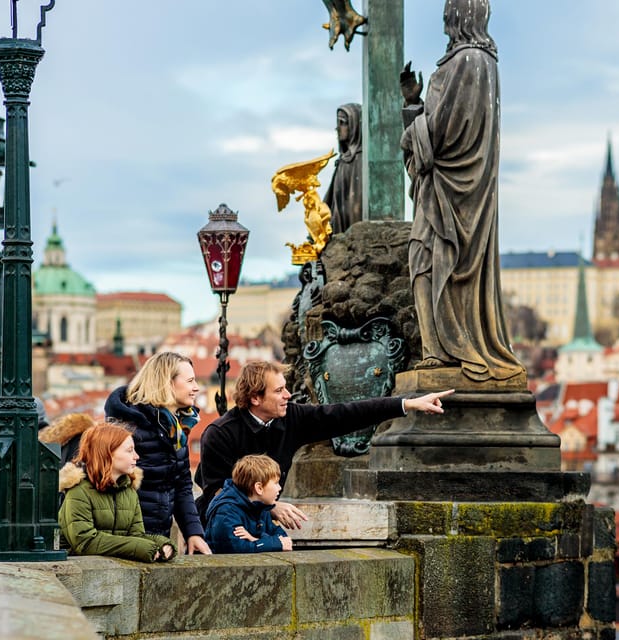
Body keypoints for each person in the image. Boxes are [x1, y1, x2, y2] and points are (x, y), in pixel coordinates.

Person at [399, 0, 524, 384]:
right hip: (456, 189)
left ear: (461, 15)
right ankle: (436, 349)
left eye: (447, 16)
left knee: (425, 260)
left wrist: (410, 130)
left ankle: (440, 350)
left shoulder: (468, 61)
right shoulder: (481, 62)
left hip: (451, 193)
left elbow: (442, 131)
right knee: (426, 261)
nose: (443, 25)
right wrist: (414, 104)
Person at [195, 360, 452, 528]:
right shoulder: (219, 434)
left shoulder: (291, 418)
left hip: (259, 525)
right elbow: (218, 495)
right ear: (254, 398)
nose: (287, 395)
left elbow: (346, 413)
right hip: (219, 529)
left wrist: (406, 404)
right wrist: (269, 507)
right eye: (278, 391)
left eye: (286, 388)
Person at [105, 352, 211, 554]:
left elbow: (182, 484)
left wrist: (193, 532)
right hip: (128, 541)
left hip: (159, 538)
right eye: (190, 381)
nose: (196, 387)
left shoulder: (176, 428)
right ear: (167, 383)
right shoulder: (128, 428)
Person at [58, 422, 176, 563]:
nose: (136, 456)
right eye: (129, 450)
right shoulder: (78, 491)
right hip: (79, 576)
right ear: (108, 453)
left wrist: (162, 543)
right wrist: (140, 547)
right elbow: (85, 542)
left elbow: (136, 535)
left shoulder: (129, 491)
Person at [204, 454, 293, 554]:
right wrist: (271, 543)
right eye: (276, 483)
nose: (279, 488)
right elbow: (234, 550)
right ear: (259, 488)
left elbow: (286, 540)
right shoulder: (227, 511)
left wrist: (253, 539)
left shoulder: (261, 508)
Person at [323, 103, 363, 234]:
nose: (338, 128)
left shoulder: (360, 160)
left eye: (342, 123)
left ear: (355, 125)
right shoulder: (343, 161)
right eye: (338, 123)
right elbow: (330, 203)